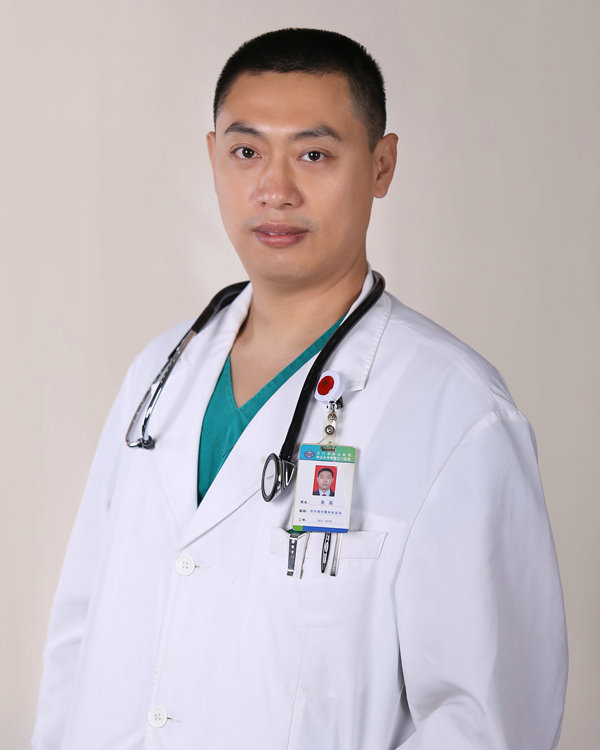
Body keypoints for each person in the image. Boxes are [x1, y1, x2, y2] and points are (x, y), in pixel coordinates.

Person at [33, 28, 567, 750]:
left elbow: (486, 721)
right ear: (213, 158)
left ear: (381, 165)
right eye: (246, 152)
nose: (275, 190)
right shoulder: (158, 379)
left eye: (314, 154)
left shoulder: (456, 412)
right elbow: (79, 639)